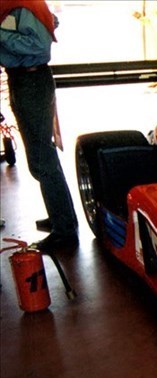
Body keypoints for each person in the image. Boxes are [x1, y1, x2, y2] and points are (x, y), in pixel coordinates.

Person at [0, 0, 78, 251]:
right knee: (40, 158)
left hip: (32, 81)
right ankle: (61, 216)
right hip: (22, 80)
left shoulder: (22, 6)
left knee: (43, 160)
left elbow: (40, 46)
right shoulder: (13, 7)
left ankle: (64, 229)